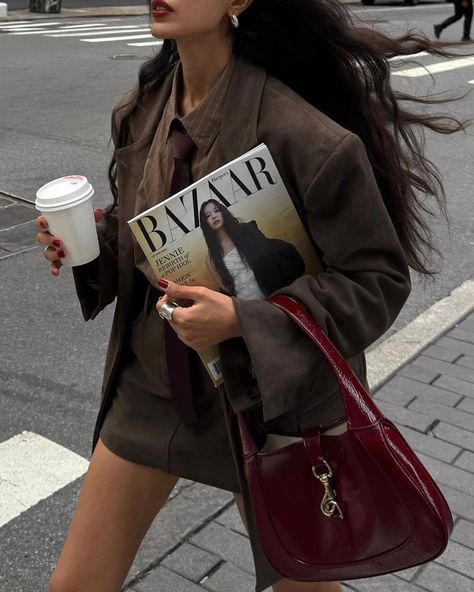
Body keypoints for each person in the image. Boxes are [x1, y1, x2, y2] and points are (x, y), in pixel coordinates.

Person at [35, 1, 462, 591]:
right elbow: (144, 238)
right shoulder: (140, 111)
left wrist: (244, 319)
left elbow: (377, 279)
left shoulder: (306, 137)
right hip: (154, 388)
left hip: (270, 406)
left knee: (304, 588)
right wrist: (91, 247)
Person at [199, 199, 305, 299]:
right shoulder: (211, 260)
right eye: (208, 215)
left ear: (223, 213)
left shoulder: (245, 232)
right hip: (247, 303)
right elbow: (226, 289)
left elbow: (267, 255)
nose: (213, 216)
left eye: (216, 211)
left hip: (271, 289)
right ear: (205, 222)